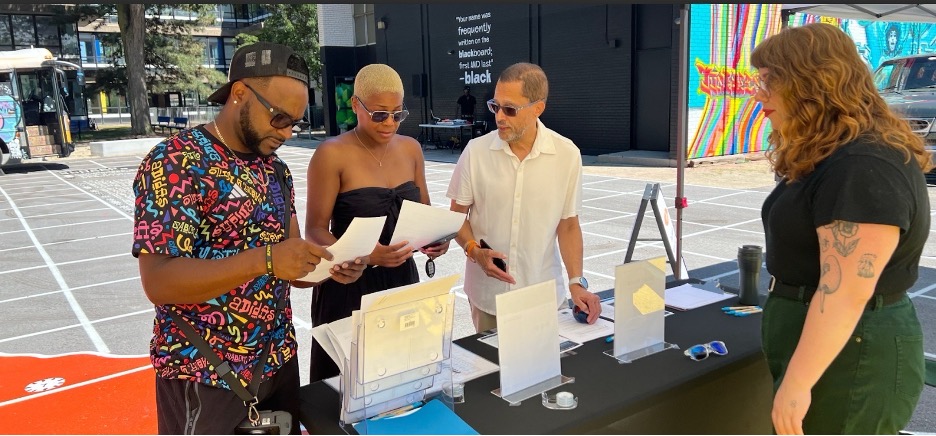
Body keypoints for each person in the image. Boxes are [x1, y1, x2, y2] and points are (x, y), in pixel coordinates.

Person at [132, 42, 367, 434]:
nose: (287, 133)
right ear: (239, 94)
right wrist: (265, 259)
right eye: (278, 118)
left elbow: (292, 264)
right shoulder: (177, 161)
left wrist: (332, 265)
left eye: (295, 123)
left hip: (277, 362)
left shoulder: (275, 171)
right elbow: (158, 281)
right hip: (205, 372)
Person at [752, 23, 930, 435]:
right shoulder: (835, 149)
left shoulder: (862, 163)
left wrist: (796, 384)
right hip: (834, 345)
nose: (758, 93)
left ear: (810, 83)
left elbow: (846, 293)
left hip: (853, 353)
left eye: (769, 81)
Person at [304, 63, 449, 382]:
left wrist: (436, 239)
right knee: (345, 388)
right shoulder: (331, 154)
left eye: (398, 114)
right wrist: (369, 255)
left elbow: (423, 210)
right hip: (349, 285)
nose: (390, 123)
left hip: (401, 281)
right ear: (356, 105)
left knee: (399, 382)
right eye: (380, 114)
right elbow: (314, 230)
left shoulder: (411, 149)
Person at [446, 62, 602, 333]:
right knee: (492, 374)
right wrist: (473, 250)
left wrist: (577, 281)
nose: (499, 117)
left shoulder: (566, 155)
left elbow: (568, 224)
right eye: (495, 106)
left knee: (543, 373)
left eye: (510, 109)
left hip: (542, 296)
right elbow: (457, 214)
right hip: (488, 298)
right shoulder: (476, 152)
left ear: (538, 108)